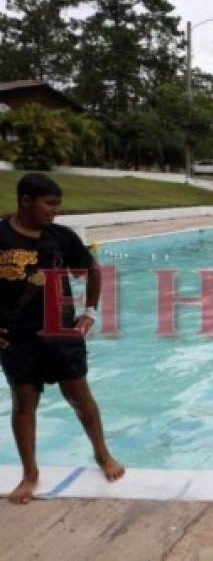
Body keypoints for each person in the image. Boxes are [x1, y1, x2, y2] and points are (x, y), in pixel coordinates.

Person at [0, 174, 125, 503]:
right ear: (25, 200)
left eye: (57, 205)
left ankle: (102, 454)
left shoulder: (61, 237)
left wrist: (90, 312)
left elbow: (92, 270)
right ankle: (30, 474)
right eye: (49, 204)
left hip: (61, 333)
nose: (54, 212)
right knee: (24, 404)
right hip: (16, 337)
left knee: (80, 397)